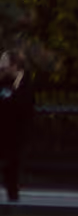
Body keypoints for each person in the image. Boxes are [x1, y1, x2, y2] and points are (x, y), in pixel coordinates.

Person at [0, 53, 36, 203]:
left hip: (17, 135)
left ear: (14, 66)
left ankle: (13, 200)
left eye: (4, 65)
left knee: (12, 169)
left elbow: (25, 109)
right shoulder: (3, 83)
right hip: (3, 133)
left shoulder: (26, 85)